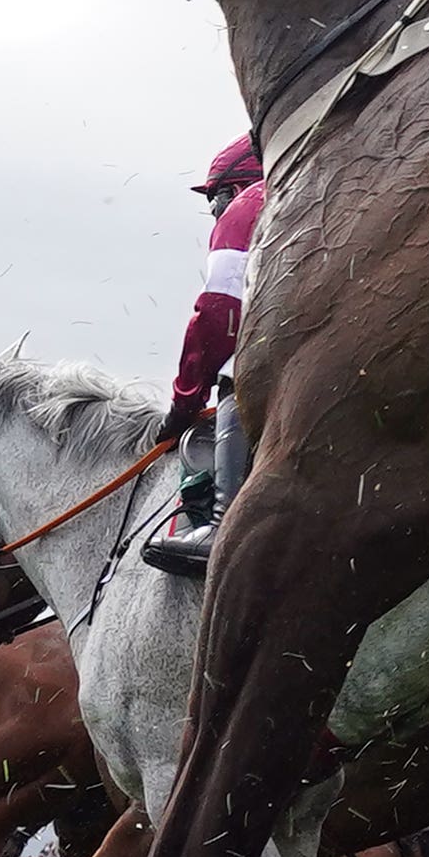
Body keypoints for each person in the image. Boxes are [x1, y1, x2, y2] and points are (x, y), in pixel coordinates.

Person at [143, 132, 267, 582]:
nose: (214, 213)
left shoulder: (251, 202)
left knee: (241, 366)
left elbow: (218, 315)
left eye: (214, 201)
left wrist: (185, 402)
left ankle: (224, 525)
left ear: (232, 190)